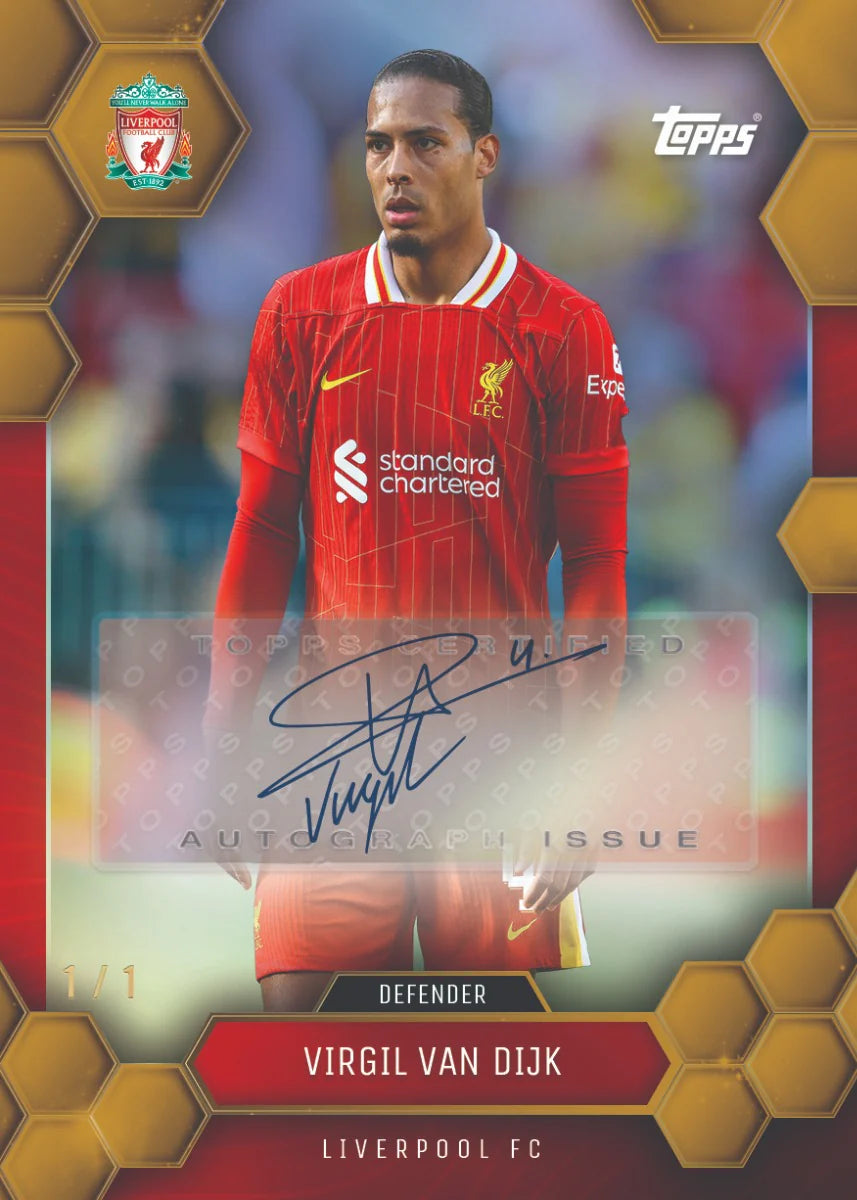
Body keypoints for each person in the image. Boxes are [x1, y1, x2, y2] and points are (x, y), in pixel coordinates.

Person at [209, 49, 628, 1012]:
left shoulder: (563, 328)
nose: (395, 168)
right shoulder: (299, 314)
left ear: (484, 156)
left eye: (425, 143)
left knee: (484, 1073)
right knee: (295, 1052)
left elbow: (597, 566)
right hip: (329, 756)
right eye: (378, 145)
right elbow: (260, 537)